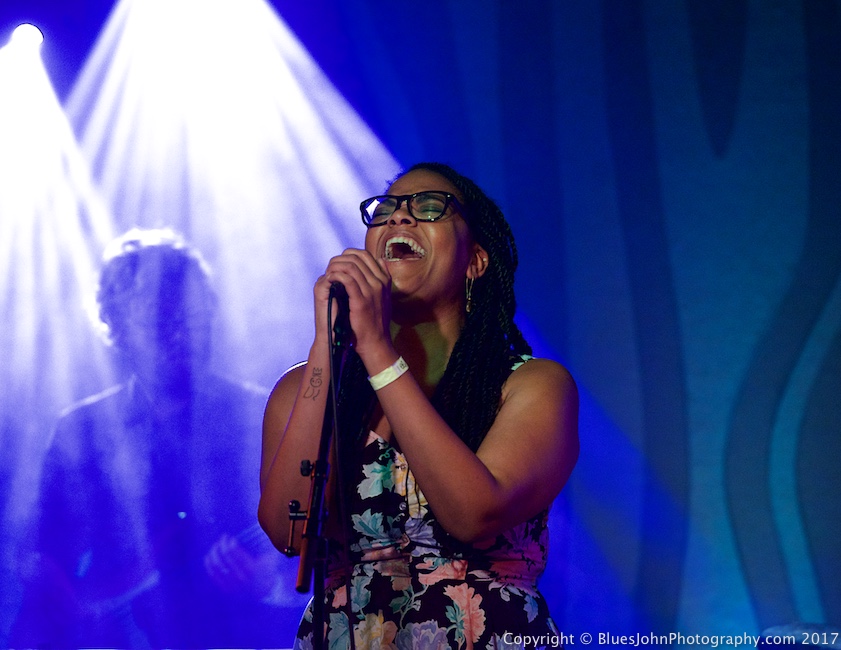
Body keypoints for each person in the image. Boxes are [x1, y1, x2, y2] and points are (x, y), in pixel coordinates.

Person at [259, 162, 579, 648]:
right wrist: (329, 341)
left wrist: (379, 352)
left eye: (430, 207)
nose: (399, 219)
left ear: (475, 261)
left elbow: (474, 514)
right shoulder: (303, 387)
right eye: (385, 210)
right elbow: (288, 532)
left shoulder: (532, 385)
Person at [13, 228, 303, 648]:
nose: (180, 331)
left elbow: (318, 560)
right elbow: (40, 553)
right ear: (115, 322)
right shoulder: (81, 429)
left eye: (191, 312)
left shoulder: (264, 416)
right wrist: (81, 604)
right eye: (160, 315)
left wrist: (269, 584)